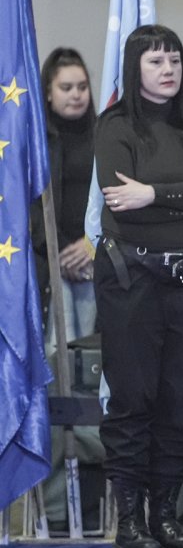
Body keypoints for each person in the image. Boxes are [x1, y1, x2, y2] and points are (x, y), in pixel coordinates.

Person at [93, 25, 183, 548]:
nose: (168, 69)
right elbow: (120, 204)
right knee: (133, 396)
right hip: (131, 277)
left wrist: (151, 192)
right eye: (155, 61)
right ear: (135, 68)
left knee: (181, 398)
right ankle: (129, 525)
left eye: (174, 59)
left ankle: (165, 516)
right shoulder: (115, 125)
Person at [30, 47, 98, 353]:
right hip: (50, 261)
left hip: (95, 258)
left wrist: (90, 244)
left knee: (92, 351)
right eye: (66, 87)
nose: (76, 95)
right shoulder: (35, 142)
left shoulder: (104, 135)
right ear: (48, 92)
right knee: (56, 352)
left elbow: (113, 197)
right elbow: (31, 204)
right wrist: (59, 250)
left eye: (82, 87)